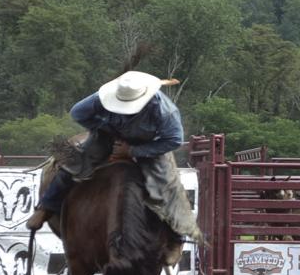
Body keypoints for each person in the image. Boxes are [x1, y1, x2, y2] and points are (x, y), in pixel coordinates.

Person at [24, 71, 201, 257]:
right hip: (108, 136)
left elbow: (173, 140)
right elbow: (78, 113)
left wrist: (132, 151)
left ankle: (175, 237)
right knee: (75, 164)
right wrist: (103, 129)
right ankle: (46, 207)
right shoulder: (103, 97)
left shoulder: (165, 111)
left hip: (148, 145)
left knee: (168, 185)